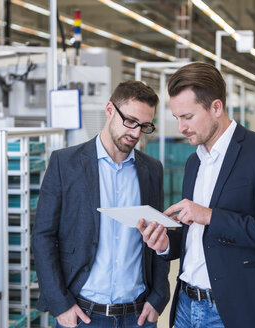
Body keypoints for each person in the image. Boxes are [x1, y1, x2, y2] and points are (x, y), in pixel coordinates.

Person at [137, 62, 255, 328]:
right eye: (176, 117)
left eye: (187, 117)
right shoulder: (194, 162)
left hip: (234, 310)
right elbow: (198, 235)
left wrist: (211, 216)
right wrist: (166, 242)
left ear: (216, 107)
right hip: (186, 308)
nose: (180, 127)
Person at [33, 81, 170, 328]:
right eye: (130, 121)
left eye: (144, 126)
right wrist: (60, 303)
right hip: (82, 316)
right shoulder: (66, 164)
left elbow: (157, 235)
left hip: (138, 316)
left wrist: (159, 297)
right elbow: (43, 236)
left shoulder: (152, 170)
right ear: (109, 110)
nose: (136, 133)